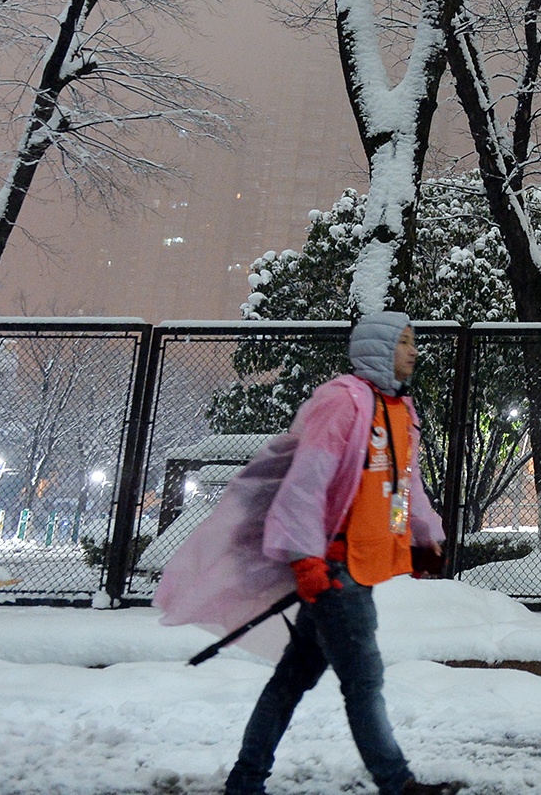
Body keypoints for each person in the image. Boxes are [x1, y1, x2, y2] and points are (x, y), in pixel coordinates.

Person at [221, 312, 460, 795]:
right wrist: (304, 558)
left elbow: (400, 487)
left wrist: (420, 538)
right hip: (334, 568)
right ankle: (397, 783)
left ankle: (245, 783)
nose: (413, 351)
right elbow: (306, 486)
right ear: (379, 348)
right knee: (364, 680)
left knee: (291, 680)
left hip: (353, 567)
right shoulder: (343, 404)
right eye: (405, 342)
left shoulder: (397, 411)